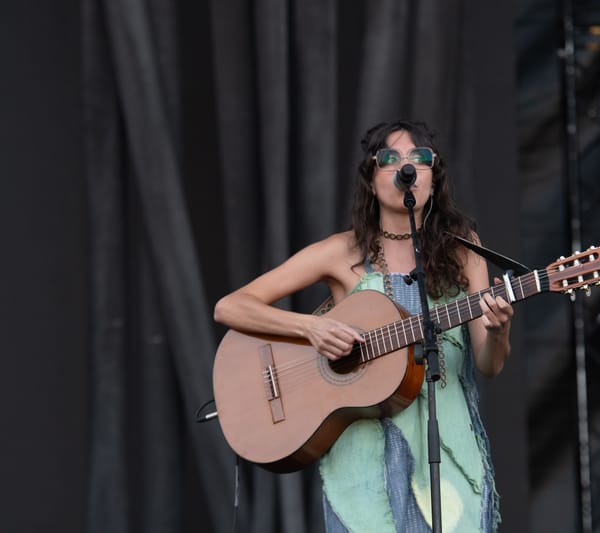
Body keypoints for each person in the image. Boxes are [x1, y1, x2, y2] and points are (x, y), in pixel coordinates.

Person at [213, 119, 513, 532]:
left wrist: (497, 330)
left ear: (433, 176)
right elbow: (231, 307)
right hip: (364, 461)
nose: (406, 168)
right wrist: (310, 329)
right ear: (372, 180)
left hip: (447, 450)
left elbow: (488, 364)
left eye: (419, 158)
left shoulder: (465, 249)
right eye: (390, 159)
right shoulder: (341, 253)